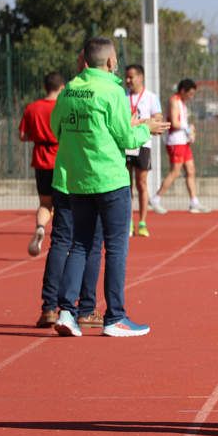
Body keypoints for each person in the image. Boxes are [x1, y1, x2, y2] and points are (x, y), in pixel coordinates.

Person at [50, 36, 169, 337]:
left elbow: (56, 128)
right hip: (110, 179)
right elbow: (127, 138)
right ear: (111, 62)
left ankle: (67, 311)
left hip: (78, 179)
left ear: (85, 60)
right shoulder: (113, 91)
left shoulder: (70, 90)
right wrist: (146, 128)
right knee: (116, 247)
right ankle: (115, 316)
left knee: (79, 244)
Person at [24, 69, 104, 329]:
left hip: (42, 164)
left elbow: (23, 135)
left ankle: (48, 307)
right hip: (68, 166)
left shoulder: (34, 107)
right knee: (88, 241)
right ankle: (86, 307)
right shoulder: (71, 101)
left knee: (49, 213)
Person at [149, 78, 211, 214]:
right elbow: (175, 123)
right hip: (175, 142)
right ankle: (155, 199)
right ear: (183, 91)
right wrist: (187, 128)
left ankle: (194, 202)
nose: (191, 97)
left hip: (184, 141)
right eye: (190, 93)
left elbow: (182, 122)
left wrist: (190, 132)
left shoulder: (182, 103)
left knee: (191, 170)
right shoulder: (174, 101)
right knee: (175, 172)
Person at [20, 72, 63, 256]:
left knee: (45, 203)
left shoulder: (32, 108)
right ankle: (63, 240)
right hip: (61, 159)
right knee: (65, 204)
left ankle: (40, 227)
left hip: (41, 159)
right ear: (61, 88)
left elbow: (23, 135)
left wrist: (38, 135)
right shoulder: (62, 107)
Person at [124, 64, 163, 236]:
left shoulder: (151, 97)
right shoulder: (122, 96)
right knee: (126, 185)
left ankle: (142, 222)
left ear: (140, 77)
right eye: (126, 77)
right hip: (125, 144)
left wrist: (142, 122)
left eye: (131, 77)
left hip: (143, 144)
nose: (128, 80)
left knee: (142, 183)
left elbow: (158, 118)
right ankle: (128, 222)